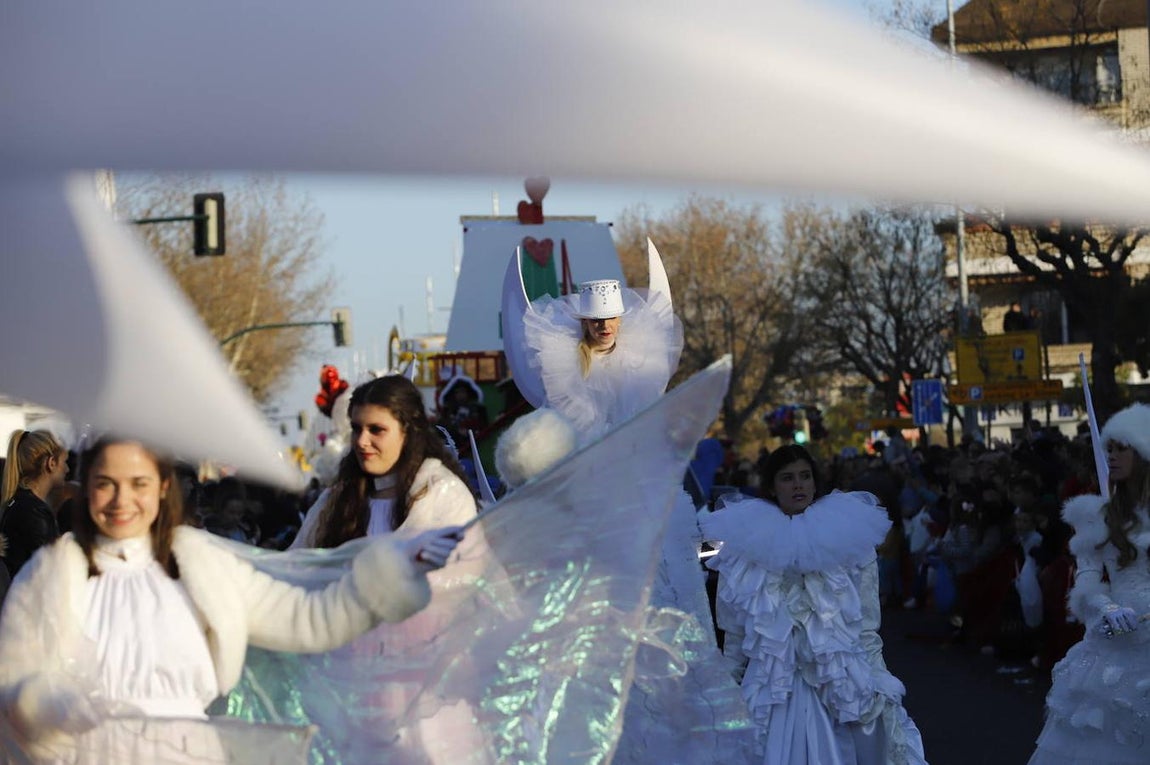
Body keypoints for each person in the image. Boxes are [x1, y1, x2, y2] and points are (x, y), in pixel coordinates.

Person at [0, 436, 463, 764]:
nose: (122, 500)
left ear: (162, 487)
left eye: (138, 483)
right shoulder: (53, 572)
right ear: (86, 487)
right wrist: (50, 704)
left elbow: (306, 618)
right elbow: (10, 684)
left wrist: (390, 571)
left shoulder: (200, 563)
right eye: (106, 483)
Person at [701, 444, 927, 764]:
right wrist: (727, 687)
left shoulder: (846, 534)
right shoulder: (747, 542)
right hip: (772, 682)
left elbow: (864, 623)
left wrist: (877, 675)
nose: (798, 485)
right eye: (787, 478)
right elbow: (734, 629)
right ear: (771, 486)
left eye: (805, 477)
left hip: (835, 680)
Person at [1028, 403, 1150, 764]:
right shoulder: (1096, 514)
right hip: (1116, 646)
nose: (1110, 456)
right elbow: (1086, 578)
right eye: (1107, 448)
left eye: (1120, 448)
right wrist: (1106, 608)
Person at [290, 374, 477, 548]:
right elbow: (300, 566)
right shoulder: (335, 500)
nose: (362, 442)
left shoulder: (443, 494)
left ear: (408, 432)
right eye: (356, 429)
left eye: (376, 429)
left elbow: (464, 571)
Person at [519, 275, 683, 443]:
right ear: (585, 322)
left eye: (611, 318)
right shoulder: (565, 365)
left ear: (620, 320)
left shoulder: (638, 358)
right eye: (597, 320)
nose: (605, 326)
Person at [0, 429, 69, 579]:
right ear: (51, 463)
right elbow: (53, 571)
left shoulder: (19, 503)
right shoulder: (33, 511)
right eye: (64, 462)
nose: (67, 469)